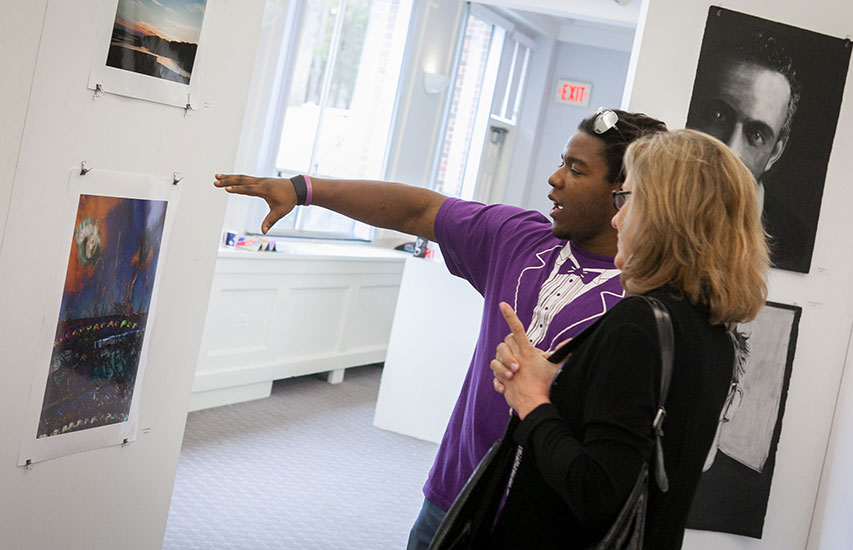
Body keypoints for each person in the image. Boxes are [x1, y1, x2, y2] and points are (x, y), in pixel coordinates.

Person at [213, 108, 667, 549]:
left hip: (541, 524)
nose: (555, 179)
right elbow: (418, 210)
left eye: (576, 168)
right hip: (453, 496)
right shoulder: (520, 237)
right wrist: (303, 188)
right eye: (560, 162)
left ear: (623, 191)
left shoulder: (650, 303)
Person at [488, 129, 770, 549]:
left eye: (628, 199)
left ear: (667, 214)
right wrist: (555, 384)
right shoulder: (713, 332)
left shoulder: (638, 324)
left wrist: (530, 400)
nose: (617, 218)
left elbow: (595, 490)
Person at [686, 29, 804, 270]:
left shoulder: (792, 242)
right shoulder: (655, 209)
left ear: (775, 153)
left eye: (757, 134)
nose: (731, 150)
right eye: (718, 116)